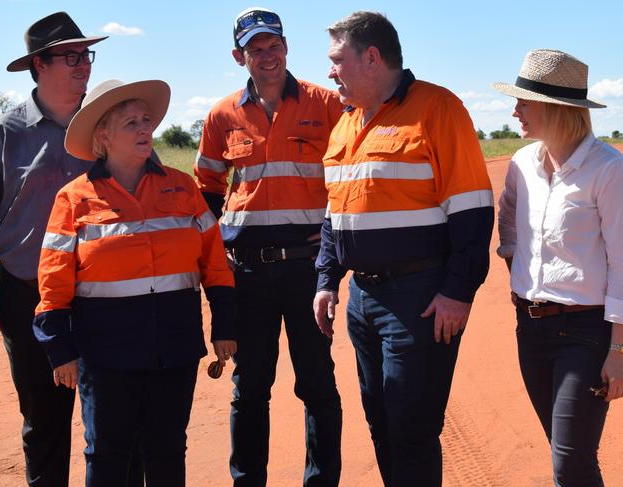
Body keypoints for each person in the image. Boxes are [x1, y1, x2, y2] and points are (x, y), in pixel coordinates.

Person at [313, 12, 494, 487]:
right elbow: (335, 214)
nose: (330, 71)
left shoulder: (438, 109)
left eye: (337, 60)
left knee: (412, 429)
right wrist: (327, 280)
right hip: (364, 302)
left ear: (371, 57)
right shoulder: (345, 124)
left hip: (419, 297)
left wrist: (459, 291)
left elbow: (473, 211)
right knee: (381, 424)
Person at [32, 78, 237, 486]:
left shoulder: (183, 189)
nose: (145, 129)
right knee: (108, 452)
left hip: (174, 347)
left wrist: (225, 326)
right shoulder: (74, 199)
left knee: (166, 450)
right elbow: (53, 279)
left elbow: (215, 262)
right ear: (103, 137)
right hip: (106, 353)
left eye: (147, 120)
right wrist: (59, 348)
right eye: (131, 123)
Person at [194, 7, 343, 486]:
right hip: (249, 273)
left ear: (286, 47)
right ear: (240, 57)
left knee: (317, 384)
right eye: (255, 49)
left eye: (273, 45)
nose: (267, 56)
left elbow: (349, 180)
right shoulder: (222, 115)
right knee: (250, 388)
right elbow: (209, 192)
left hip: (309, 267)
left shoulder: (326, 104)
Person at [0, 12, 111, 486]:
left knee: (114, 418)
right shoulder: (5, 134)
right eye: (69, 56)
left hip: (101, 295)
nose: (83, 65)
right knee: (44, 422)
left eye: (86, 54)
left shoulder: (106, 127)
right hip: (26, 294)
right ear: (39, 63)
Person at [494, 49, 623, 486]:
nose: (515, 111)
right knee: (570, 454)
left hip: (586, 332)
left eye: (523, 102)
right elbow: (507, 219)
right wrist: (519, 267)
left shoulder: (608, 170)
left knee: (569, 461)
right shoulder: (522, 164)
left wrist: (619, 351)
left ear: (555, 108)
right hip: (529, 328)